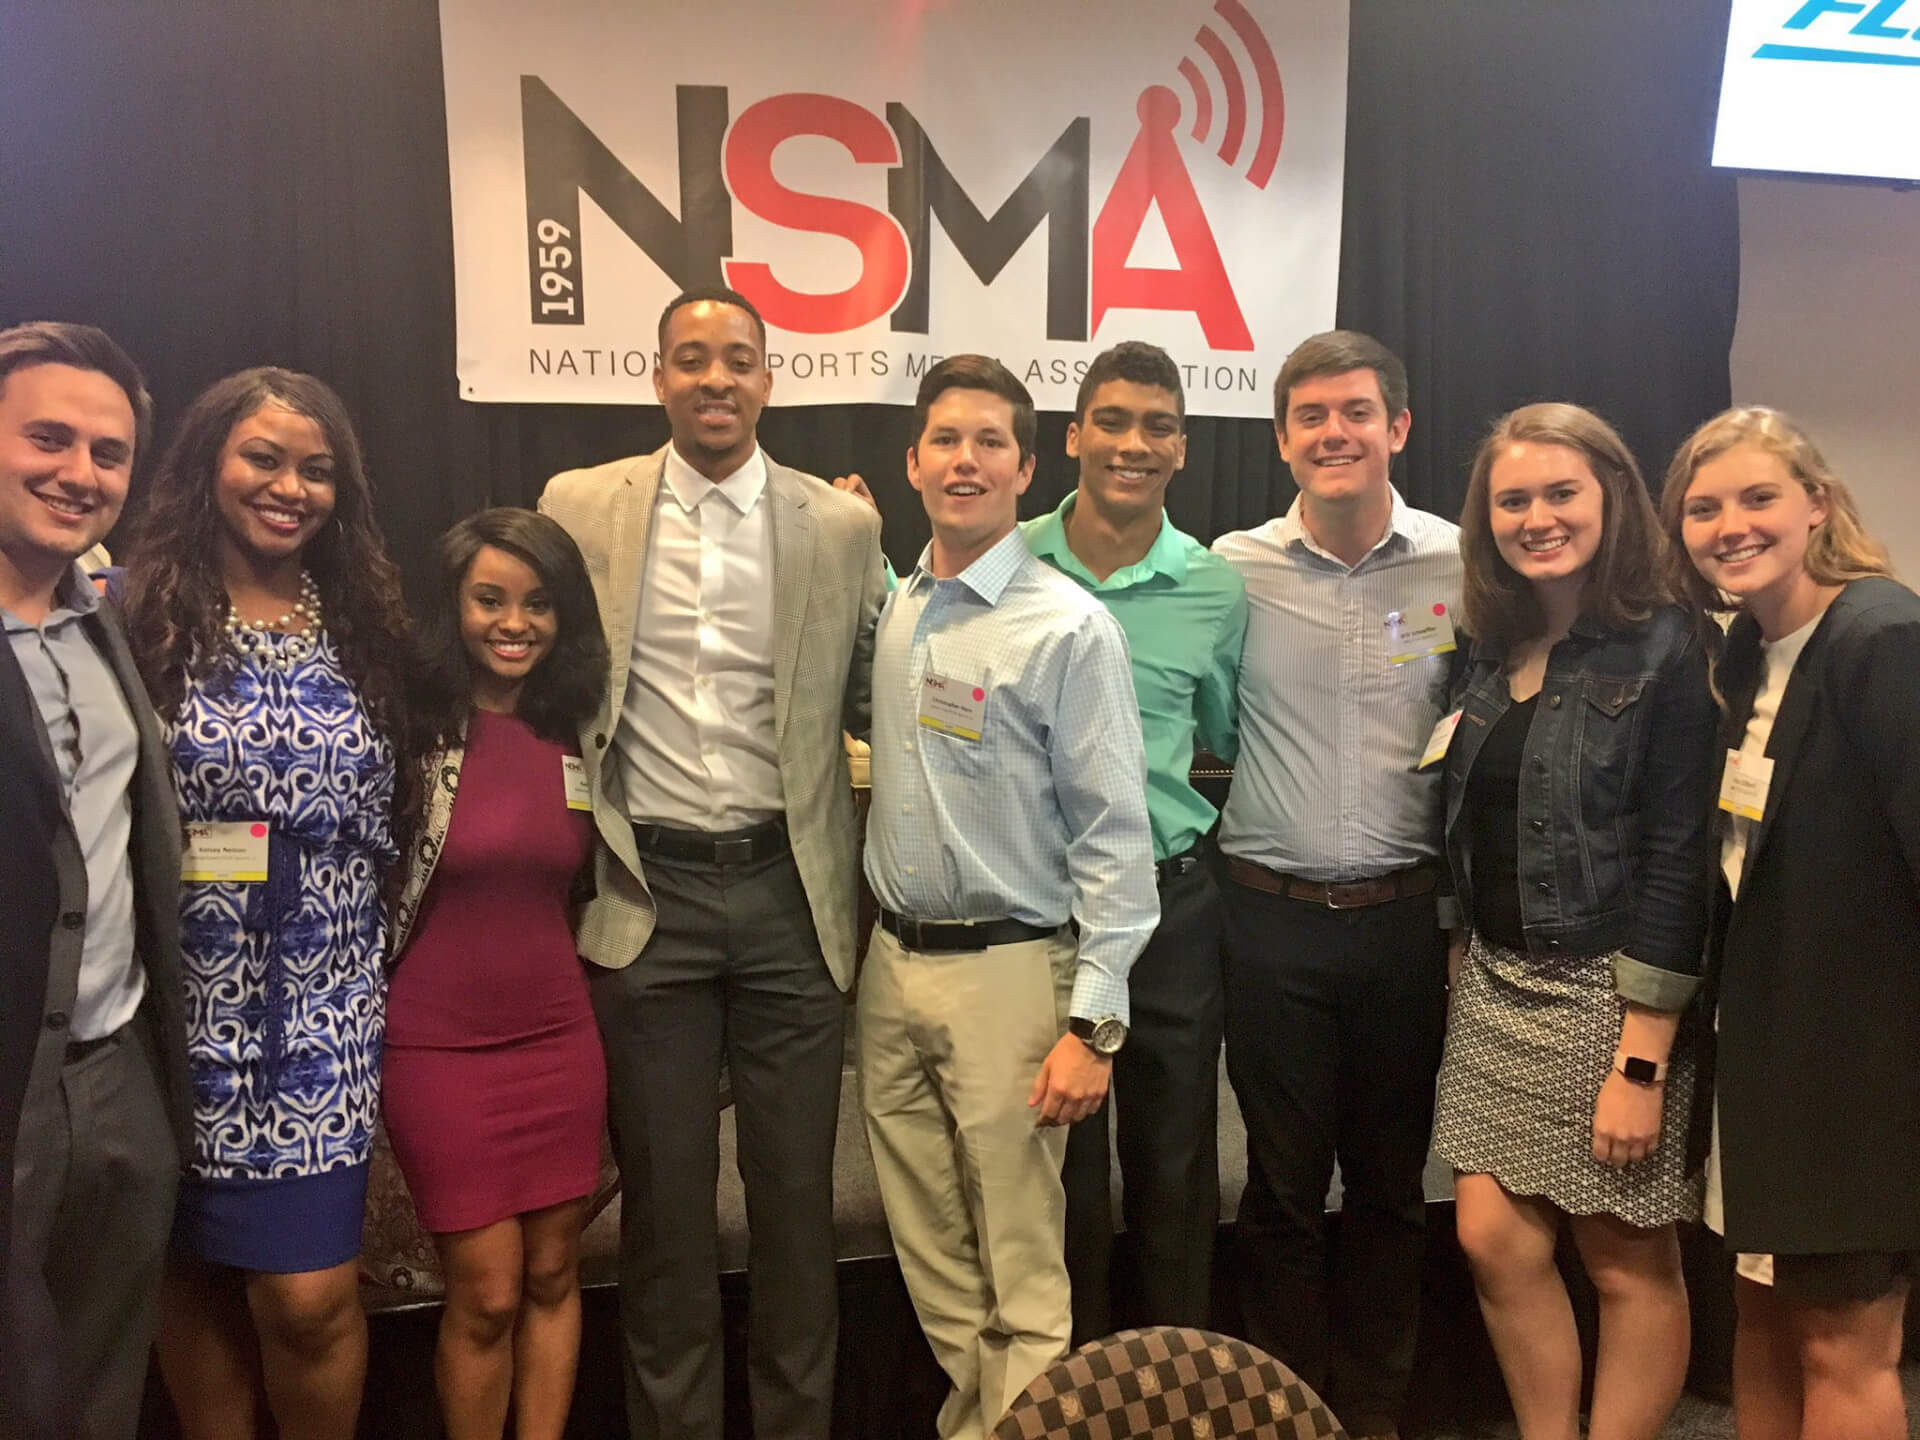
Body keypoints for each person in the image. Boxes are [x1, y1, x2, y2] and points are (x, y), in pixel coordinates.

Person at [538, 285, 887, 1440]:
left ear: (769, 379)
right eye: (692, 360)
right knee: (668, 1219)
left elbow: (876, 693)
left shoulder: (840, 529)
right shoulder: (580, 507)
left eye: (738, 359)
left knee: (798, 1214)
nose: (715, 380)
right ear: (658, 378)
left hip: (793, 897)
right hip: (650, 903)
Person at [860, 354, 1159, 1439]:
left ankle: (1023, 1426)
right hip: (891, 973)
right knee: (932, 1247)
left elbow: (1117, 843)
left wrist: (1096, 1023)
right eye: (946, 439)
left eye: (991, 442)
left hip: (1012, 977)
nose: (965, 460)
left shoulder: (1068, 628)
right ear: (913, 462)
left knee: (1022, 1265)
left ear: (1029, 469)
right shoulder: (902, 607)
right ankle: (979, 1426)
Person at [126, 367, 419, 1440]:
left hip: (324, 1011)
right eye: (264, 458)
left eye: (316, 470)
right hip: (168, 1012)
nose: (288, 487)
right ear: (210, 461)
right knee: (191, 1270)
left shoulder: (365, 626)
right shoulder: (134, 617)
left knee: (306, 1297)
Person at [1434, 403, 1716, 1440]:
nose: (1537, 516)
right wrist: (1459, 945)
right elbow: (1464, 810)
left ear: (1612, 498)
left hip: (1612, 993)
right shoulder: (1488, 639)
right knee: (1491, 1238)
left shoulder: (1670, 645)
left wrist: (1641, 1060)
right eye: (1514, 499)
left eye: (1561, 493)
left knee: (1625, 1258)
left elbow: (1678, 858)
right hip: (1498, 987)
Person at [1210, 330, 1461, 1440]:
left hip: (1407, 929)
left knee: (1394, 1194)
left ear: (1397, 428)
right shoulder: (1229, 566)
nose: (1334, 433)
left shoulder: (1467, 564)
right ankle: (1287, 1416)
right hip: (1269, 925)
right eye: (1310, 417)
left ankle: (1376, 1415)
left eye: (1356, 412)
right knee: (1279, 1194)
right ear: (1282, 441)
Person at [1664, 407, 1920, 1440]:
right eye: (1704, 507)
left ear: (1817, 503)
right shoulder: (1745, 653)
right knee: (1762, 1322)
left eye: (1758, 497)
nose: (1731, 525)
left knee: (1844, 1344)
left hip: (1861, 1063)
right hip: (1766, 1052)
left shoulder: (1882, 638)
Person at [1018, 340, 1246, 1341]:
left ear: (1183, 449)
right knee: (1054, 1168)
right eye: (1111, 420)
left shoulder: (1214, 588)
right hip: (1038, 911)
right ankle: (1070, 1392)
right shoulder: (1003, 557)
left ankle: (1172, 1388)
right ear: (1073, 437)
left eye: (1157, 426)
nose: (1132, 443)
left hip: (1170, 909)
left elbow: (1226, 735)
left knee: (1174, 1169)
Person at [0, 321, 191, 1440]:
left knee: (99, 1390)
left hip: (118, 1078)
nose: (79, 473)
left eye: (108, 453)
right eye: (49, 438)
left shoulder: (104, 623)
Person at [384, 508, 609, 1440]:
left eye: (539, 604)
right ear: (453, 606)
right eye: (489, 600)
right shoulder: (407, 729)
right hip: (436, 1047)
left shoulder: (581, 733)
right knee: (485, 1293)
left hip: (559, 1039)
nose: (514, 623)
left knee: (557, 1277)